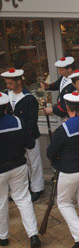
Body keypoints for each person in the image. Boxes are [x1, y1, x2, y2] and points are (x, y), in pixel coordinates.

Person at [46, 91, 79, 248]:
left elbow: (51, 152)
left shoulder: (64, 128)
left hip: (70, 170)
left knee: (63, 202)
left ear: (67, 107)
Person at [0, 92, 41, 248]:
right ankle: (33, 235)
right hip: (18, 166)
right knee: (24, 200)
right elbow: (30, 144)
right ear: (6, 107)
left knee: (1, 202)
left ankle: (3, 237)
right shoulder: (17, 121)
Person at [2, 68, 45, 201]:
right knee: (21, 163)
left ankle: (37, 187)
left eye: (10, 83)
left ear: (19, 82)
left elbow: (32, 120)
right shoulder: (6, 95)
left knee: (34, 161)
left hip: (29, 135)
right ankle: (24, 187)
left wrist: (26, 136)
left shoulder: (29, 98)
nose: (8, 86)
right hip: (14, 138)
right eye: (7, 83)